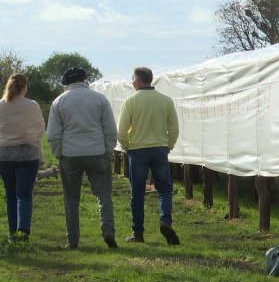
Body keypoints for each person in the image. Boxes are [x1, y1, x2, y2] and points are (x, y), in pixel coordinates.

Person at [47, 67, 118, 249]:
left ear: (66, 83)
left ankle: (72, 241)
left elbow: (53, 134)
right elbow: (110, 129)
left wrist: (59, 153)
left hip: (70, 154)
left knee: (71, 199)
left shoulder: (59, 101)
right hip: (96, 152)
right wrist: (107, 150)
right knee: (104, 195)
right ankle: (108, 231)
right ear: (85, 80)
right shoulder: (99, 99)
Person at [118, 67, 180, 244]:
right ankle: (165, 220)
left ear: (137, 81)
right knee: (164, 190)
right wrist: (168, 146)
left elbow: (121, 131)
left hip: (137, 150)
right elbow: (174, 128)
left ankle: (138, 233)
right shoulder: (166, 101)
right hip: (160, 148)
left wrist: (126, 147)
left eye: (132, 80)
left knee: (137, 192)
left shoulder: (130, 101)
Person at [0, 73, 45, 243]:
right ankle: (23, 231)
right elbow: (40, 127)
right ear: (24, 87)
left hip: (5, 156)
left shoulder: (1, 105)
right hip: (27, 155)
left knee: (10, 194)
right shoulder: (32, 105)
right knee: (24, 195)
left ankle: (13, 234)